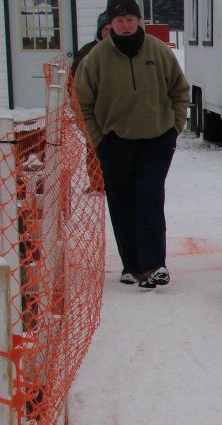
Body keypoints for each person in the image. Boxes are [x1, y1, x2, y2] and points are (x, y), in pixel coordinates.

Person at [74, 0, 190, 289]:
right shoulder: (96, 58)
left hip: (157, 139)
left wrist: (173, 128)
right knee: (123, 201)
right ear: (110, 24)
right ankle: (131, 265)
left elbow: (179, 90)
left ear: (139, 21)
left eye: (130, 19)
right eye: (120, 19)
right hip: (115, 142)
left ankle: (154, 264)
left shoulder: (158, 50)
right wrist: (98, 139)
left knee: (149, 195)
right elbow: (81, 103)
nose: (125, 24)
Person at [70, 11, 110, 193]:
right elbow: (73, 82)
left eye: (112, 29)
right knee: (93, 148)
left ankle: (116, 181)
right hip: (90, 110)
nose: (109, 33)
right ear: (100, 31)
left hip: (114, 111)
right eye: (106, 29)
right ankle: (97, 183)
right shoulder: (87, 52)